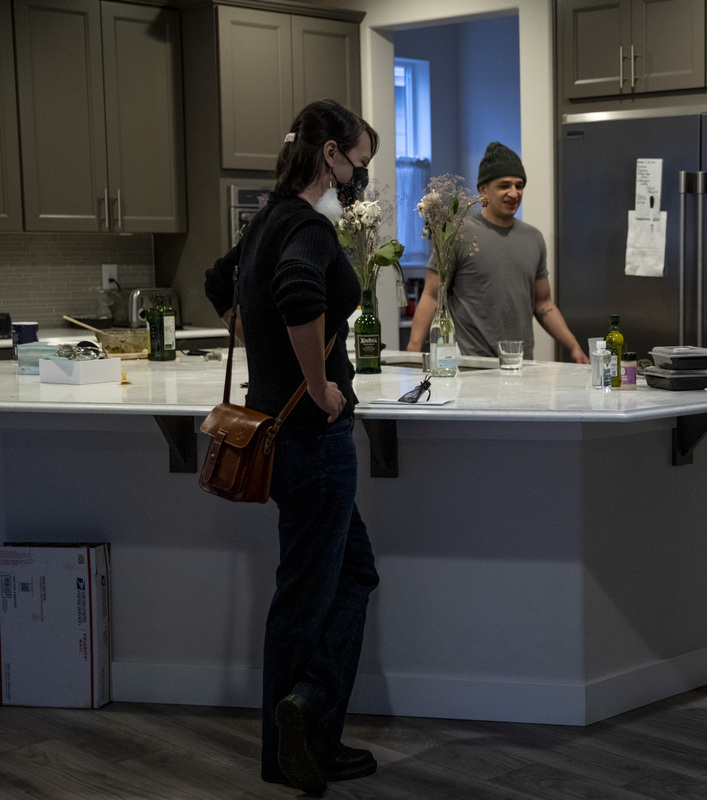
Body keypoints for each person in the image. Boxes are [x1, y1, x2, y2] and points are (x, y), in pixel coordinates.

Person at [204, 99, 381, 796]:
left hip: (282, 439)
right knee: (308, 595)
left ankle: (305, 728)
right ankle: (299, 731)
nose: (358, 178)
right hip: (312, 436)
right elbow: (300, 290)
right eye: (359, 164)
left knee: (343, 577)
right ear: (331, 153)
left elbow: (223, 282)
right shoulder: (304, 225)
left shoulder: (267, 220)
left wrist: (259, 337)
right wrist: (317, 384)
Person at [407, 141, 589, 364]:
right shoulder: (457, 232)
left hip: (519, 364)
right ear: (483, 190)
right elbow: (432, 295)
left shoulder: (534, 238)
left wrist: (573, 346)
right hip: (470, 365)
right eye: (504, 185)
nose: (514, 193)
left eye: (519, 185)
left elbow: (544, 304)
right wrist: (413, 352)